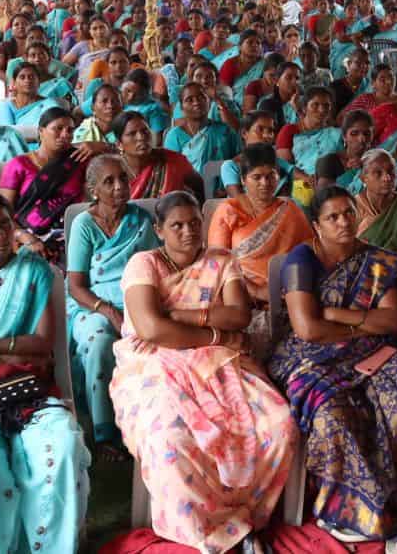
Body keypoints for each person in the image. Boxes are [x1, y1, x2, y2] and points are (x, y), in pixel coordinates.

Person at [111, 191, 298, 554]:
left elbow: (239, 316)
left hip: (222, 362)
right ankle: (214, 532)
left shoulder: (222, 260)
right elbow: (150, 329)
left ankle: (244, 516)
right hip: (153, 364)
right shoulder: (144, 263)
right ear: (159, 229)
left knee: (277, 424)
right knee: (169, 438)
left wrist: (182, 318)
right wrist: (213, 333)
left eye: (194, 223)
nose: (188, 231)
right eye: (177, 225)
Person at [268, 186, 397, 551]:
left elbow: (393, 320)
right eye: (332, 217)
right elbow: (307, 329)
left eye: (348, 213)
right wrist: (363, 324)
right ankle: (350, 508)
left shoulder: (377, 262)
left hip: (372, 352)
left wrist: (339, 317)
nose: (343, 223)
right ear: (316, 225)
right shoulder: (301, 259)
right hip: (312, 358)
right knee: (334, 416)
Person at [0, 191, 91, 554]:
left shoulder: (32, 271)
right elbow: (27, 347)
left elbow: (41, 346)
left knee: (61, 445)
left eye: (5, 225)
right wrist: (9, 350)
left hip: (29, 390)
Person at [65, 154, 158, 458]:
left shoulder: (141, 221)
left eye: (123, 179)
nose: (119, 187)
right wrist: (109, 311)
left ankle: (148, 422)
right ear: (94, 189)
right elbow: (76, 285)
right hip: (90, 305)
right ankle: (105, 433)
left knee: (153, 337)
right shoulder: (84, 225)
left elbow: (156, 268)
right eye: (109, 181)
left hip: (135, 298)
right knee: (100, 340)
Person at [207, 144, 314, 304]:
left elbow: (309, 251)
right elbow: (217, 263)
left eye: (271, 176)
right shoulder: (228, 211)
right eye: (257, 177)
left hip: (286, 291)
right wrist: (256, 291)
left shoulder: (290, 210)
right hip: (238, 293)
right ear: (243, 180)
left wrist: (288, 287)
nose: (265, 183)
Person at [0, 106, 86, 260]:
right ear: (41, 131)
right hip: (26, 238)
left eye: (70, 130)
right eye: (58, 128)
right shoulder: (18, 165)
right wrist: (23, 236)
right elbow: (2, 213)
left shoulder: (78, 161)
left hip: (70, 235)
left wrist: (101, 146)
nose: (65, 134)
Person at [113, 110, 204, 201]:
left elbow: (199, 187)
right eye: (132, 134)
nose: (141, 137)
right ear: (119, 144)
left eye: (145, 131)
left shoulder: (173, 160)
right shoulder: (112, 170)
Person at [276, 86, 341, 208]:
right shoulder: (289, 130)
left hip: (328, 182)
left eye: (326, 106)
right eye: (315, 105)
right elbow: (284, 165)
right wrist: (305, 177)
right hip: (298, 183)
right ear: (305, 108)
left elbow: (341, 160)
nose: (321, 110)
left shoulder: (334, 134)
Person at [314, 109, 374, 192]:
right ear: (344, 137)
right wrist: (353, 172)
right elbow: (326, 197)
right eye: (354, 133)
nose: (362, 139)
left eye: (366, 133)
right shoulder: (328, 161)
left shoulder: (375, 161)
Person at [0, 63, 57, 127]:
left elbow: (49, 128)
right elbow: (7, 131)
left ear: (39, 82)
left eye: (31, 77)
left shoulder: (49, 104)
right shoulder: (6, 105)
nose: (27, 80)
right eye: (22, 77)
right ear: (14, 83)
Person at [74, 81, 122, 147]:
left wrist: (105, 147)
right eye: (104, 101)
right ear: (93, 108)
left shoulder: (126, 130)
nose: (110, 106)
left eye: (115, 101)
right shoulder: (83, 134)